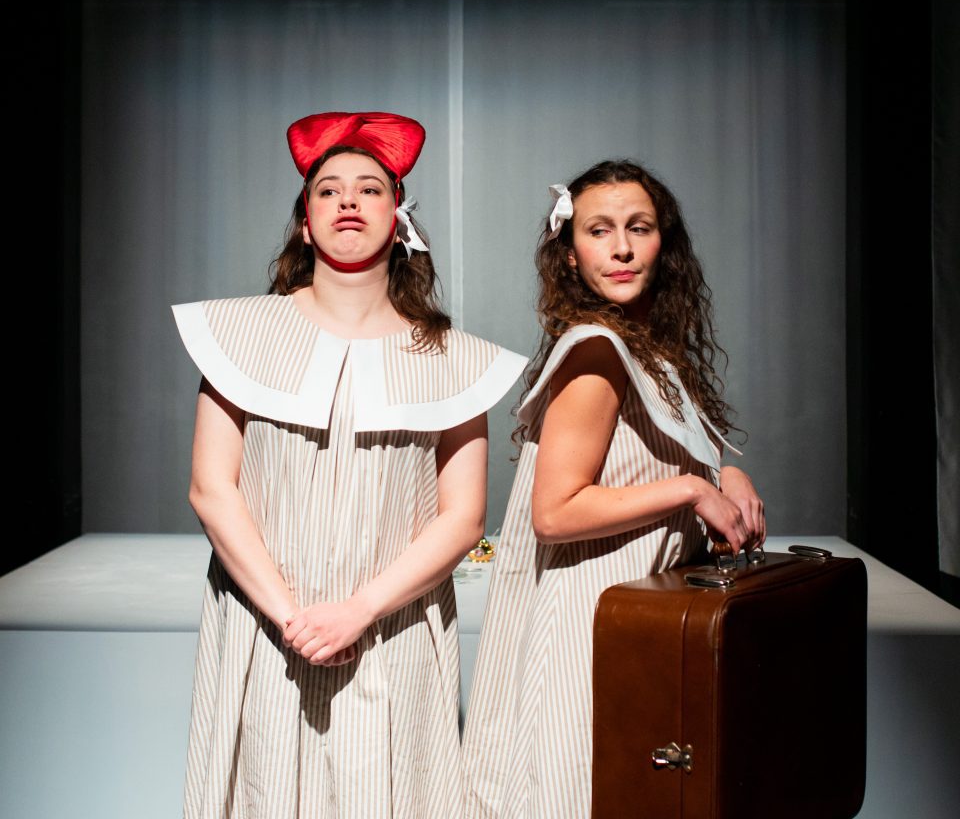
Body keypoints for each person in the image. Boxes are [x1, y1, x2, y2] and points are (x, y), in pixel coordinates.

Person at [173, 111, 526, 819]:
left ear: (399, 217)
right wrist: (293, 617)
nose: (348, 202)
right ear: (305, 223)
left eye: (370, 189)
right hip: (265, 628)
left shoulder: (454, 359)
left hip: (393, 631)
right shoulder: (238, 333)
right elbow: (211, 488)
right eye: (328, 190)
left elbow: (463, 518)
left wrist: (357, 611)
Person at [461, 159, 765, 818]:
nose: (622, 248)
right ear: (570, 255)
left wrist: (725, 475)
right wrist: (692, 489)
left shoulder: (646, 348)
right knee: (576, 788)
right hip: (585, 625)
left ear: (664, 243)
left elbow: (652, 460)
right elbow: (555, 511)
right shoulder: (598, 349)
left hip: (631, 621)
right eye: (599, 230)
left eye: (639, 228)